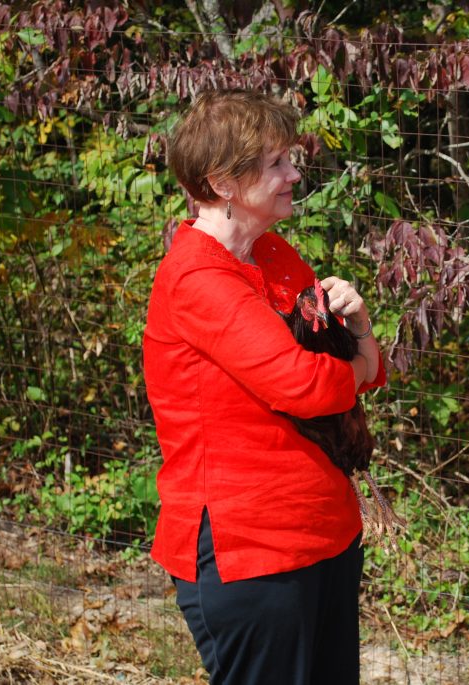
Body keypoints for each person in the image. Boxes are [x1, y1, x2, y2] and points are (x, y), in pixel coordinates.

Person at [143, 89, 384, 684]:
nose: (294, 173)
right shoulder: (198, 275)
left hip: (323, 530)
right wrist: (355, 367)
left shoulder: (272, 253)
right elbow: (306, 384)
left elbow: (360, 370)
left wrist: (362, 334)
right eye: (276, 163)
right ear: (223, 182)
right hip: (249, 550)